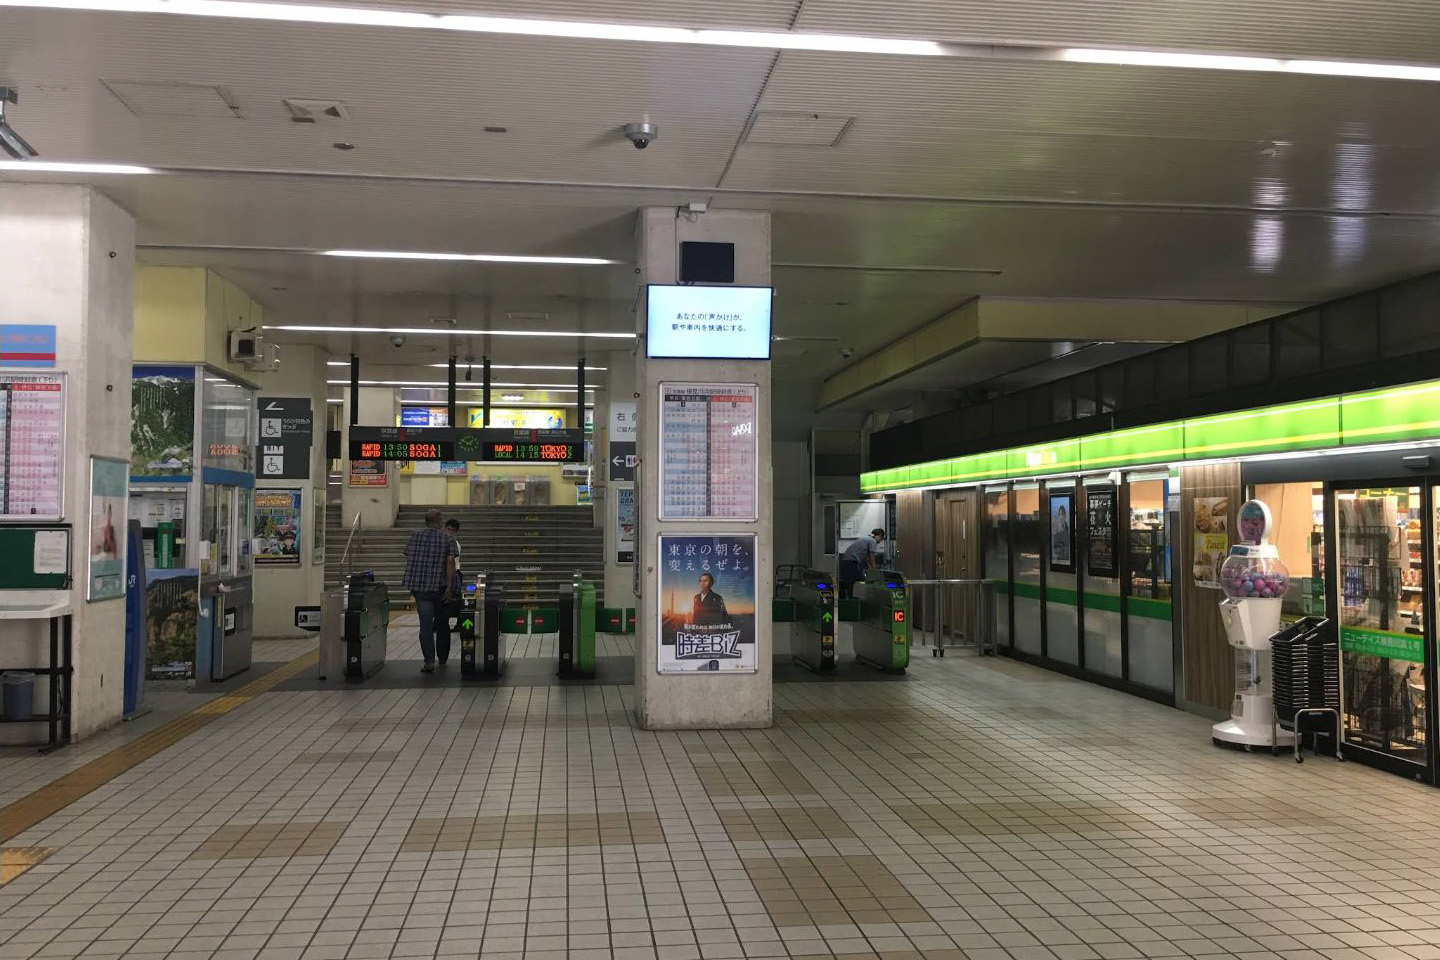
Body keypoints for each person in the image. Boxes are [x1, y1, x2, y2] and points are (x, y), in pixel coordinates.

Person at [402, 509, 458, 673]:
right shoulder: (447, 538)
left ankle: (429, 662)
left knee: (425, 626)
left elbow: (407, 554)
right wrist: (450, 586)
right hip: (440, 588)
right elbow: (450, 562)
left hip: (420, 588)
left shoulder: (414, 536)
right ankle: (442, 658)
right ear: (439, 521)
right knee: (442, 624)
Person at [441, 518, 463, 663]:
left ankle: (457, 623)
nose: (449, 532)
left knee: (455, 600)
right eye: (448, 529)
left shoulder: (455, 544)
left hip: (454, 574)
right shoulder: (444, 542)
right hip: (447, 574)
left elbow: (451, 562)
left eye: (452, 531)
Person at [839, 528, 885, 599]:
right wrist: (876, 573)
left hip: (846, 562)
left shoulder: (865, 539)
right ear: (879, 535)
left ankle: (851, 599)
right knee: (854, 583)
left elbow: (868, 561)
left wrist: (871, 569)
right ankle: (854, 601)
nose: (880, 541)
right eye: (881, 538)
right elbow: (872, 559)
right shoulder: (872, 541)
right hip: (851, 563)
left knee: (851, 583)